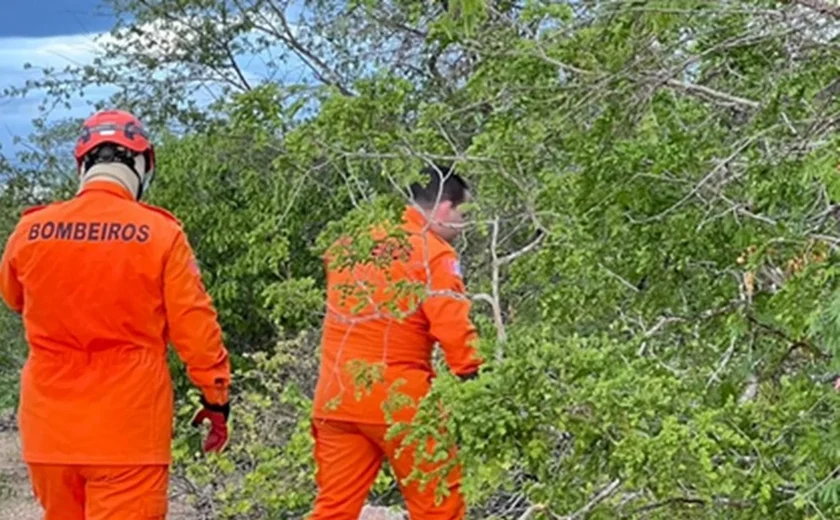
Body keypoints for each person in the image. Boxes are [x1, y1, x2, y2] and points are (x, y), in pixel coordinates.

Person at [0, 109, 232, 520]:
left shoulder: (30, 231)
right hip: (127, 431)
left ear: (83, 164)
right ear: (142, 164)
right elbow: (196, 331)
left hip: (48, 435)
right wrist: (216, 400)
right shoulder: (160, 234)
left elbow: (14, 298)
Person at [309, 164, 483, 519]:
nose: (464, 228)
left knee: (333, 510)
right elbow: (455, 333)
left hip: (336, 396)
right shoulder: (433, 253)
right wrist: (480, 382)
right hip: (400, 401)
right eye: (464, 215)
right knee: (440, 508)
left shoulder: (351, 242)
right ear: (446, 208)